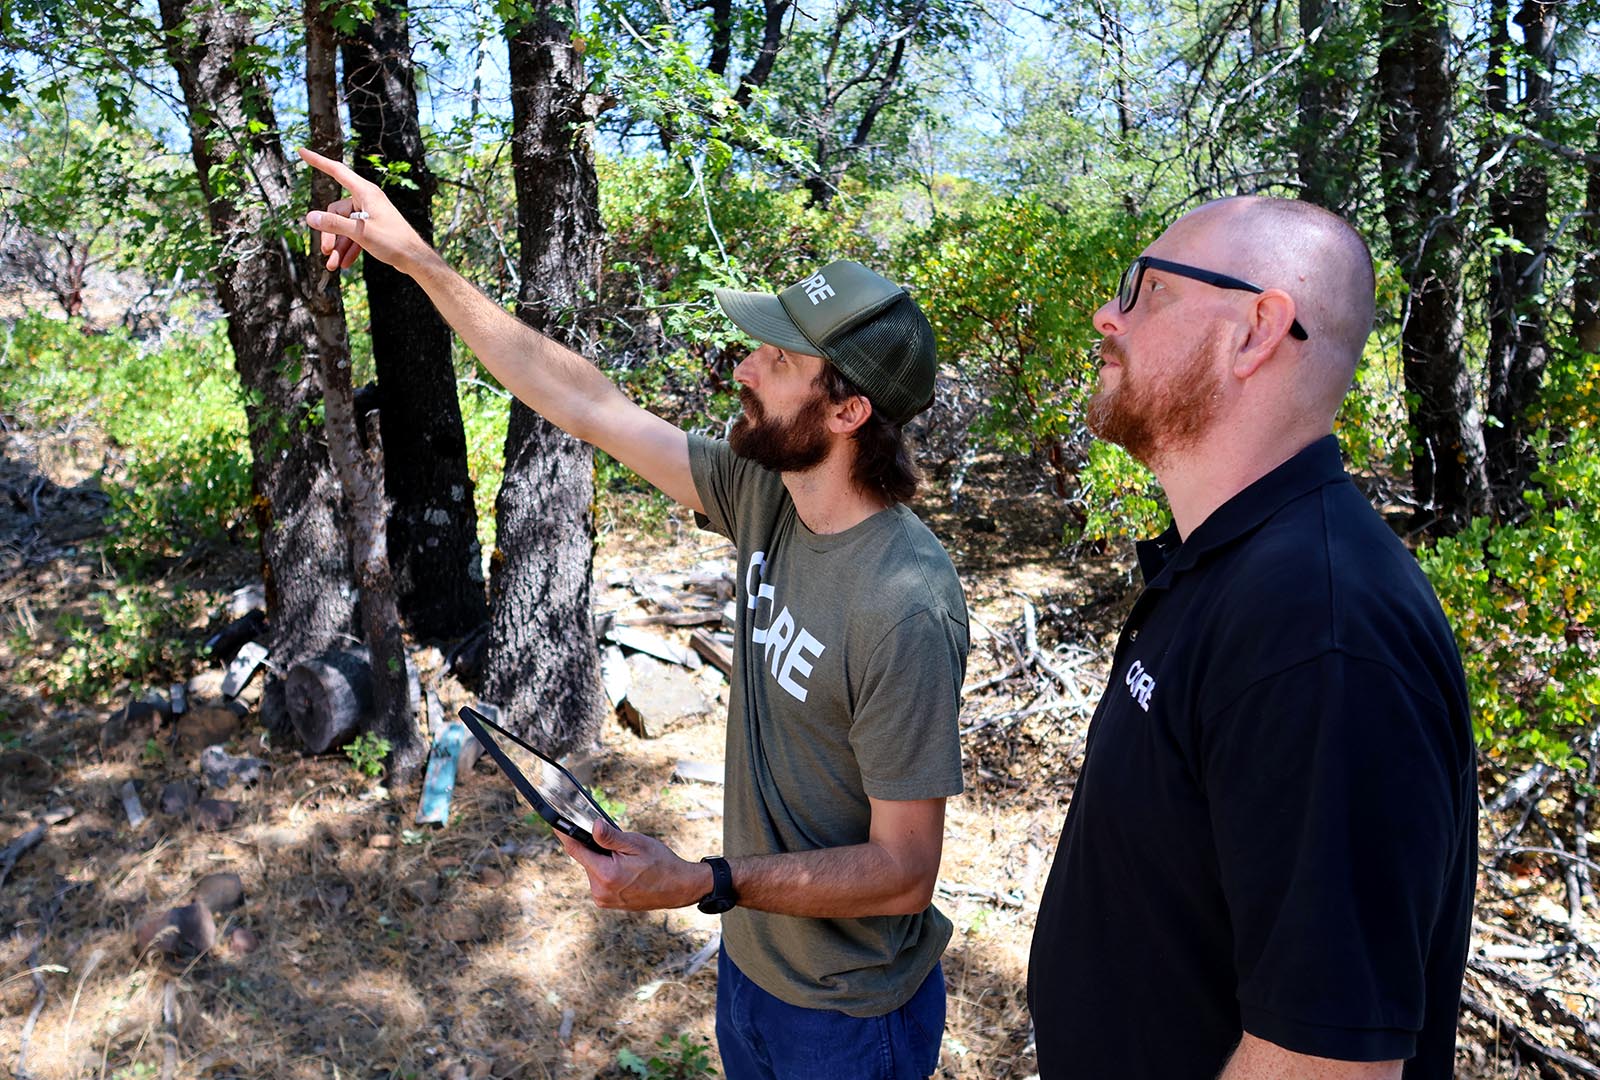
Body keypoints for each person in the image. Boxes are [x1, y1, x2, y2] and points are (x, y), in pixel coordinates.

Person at [299, 148, 968, 1080]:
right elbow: (581, 399)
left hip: (851, 1017)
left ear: (848, 410)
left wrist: (705, 882)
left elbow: (904, 872)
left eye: (777, 359)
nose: (745, 366)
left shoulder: (904, 603)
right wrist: (418, 260)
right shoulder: (765, 490)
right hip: (754, 967)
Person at [1026, 196, 1475, 1079]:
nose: (1105, 315)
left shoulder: (1320, 629)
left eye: (1144, 289)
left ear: (1257, 330)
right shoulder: (1234, 565)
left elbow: (1325, 1061)